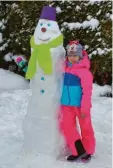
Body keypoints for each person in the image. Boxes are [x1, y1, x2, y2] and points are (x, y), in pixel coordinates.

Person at [58, 40, 96, 162]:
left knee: (86, 127)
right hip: (66, 105)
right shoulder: (64, 68)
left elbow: (87, 92)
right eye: (70, 55)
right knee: (66, 126)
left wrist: (85, 108)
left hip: (80, 106)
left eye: (75, 55)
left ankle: (88, 151)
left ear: (81, 55)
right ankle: (78, 150)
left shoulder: (85, 72)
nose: (72, 58)